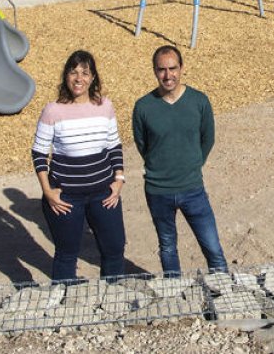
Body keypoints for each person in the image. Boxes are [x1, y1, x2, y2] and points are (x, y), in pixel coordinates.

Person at [132, 45, 227, 276]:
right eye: (162, 70)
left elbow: (208, 139)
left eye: (172, 68)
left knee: (212, 247)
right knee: (167, 247)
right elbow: (142, 144)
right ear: (154, 71)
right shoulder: (144, 107)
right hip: (158, 191)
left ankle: (225, 290)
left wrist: (192, 164)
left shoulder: (199, 101)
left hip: (192, 188)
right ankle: (175, 293)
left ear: (182, 68)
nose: (168, 75)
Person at [32, 50, 126, 282]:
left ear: (93, 77)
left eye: (85, 73)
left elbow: (114, 145)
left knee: (114, 249)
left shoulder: (105, 106)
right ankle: (66, 304)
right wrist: (47, 191)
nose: (78, 78)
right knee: (66, 254)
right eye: (73, 72)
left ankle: (113, 301)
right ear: (66, 76)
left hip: (103, 194)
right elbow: (39, 152)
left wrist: (119, 180)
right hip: (66, 198)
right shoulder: (53, 110)